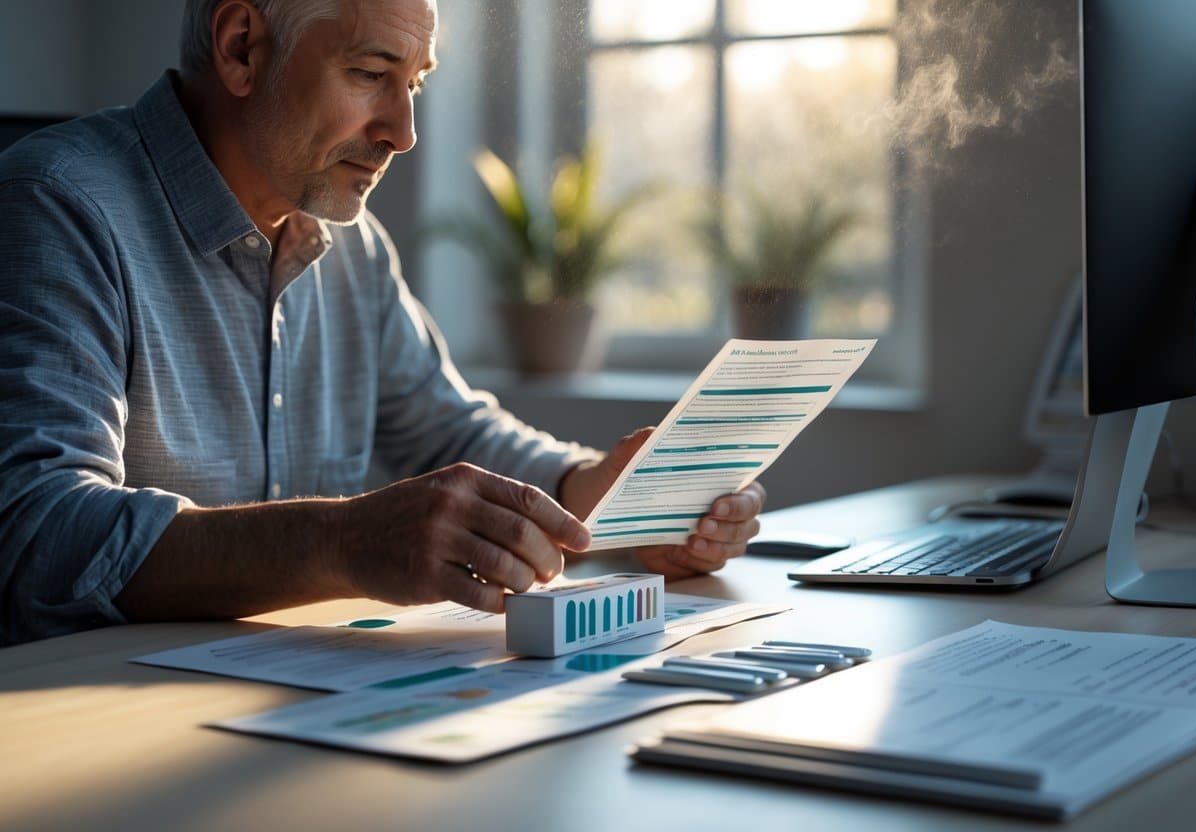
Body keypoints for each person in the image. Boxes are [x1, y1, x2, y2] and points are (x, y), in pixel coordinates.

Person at [0, 0, 766, 646]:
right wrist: (342, 542)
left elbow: (448, 430)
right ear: (242, 50)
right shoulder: (56, 205)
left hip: (275, 703)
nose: (402, 132)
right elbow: (36, 535)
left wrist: (594, 494)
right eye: (370, 76)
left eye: (414, 85)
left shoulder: (353, 245)